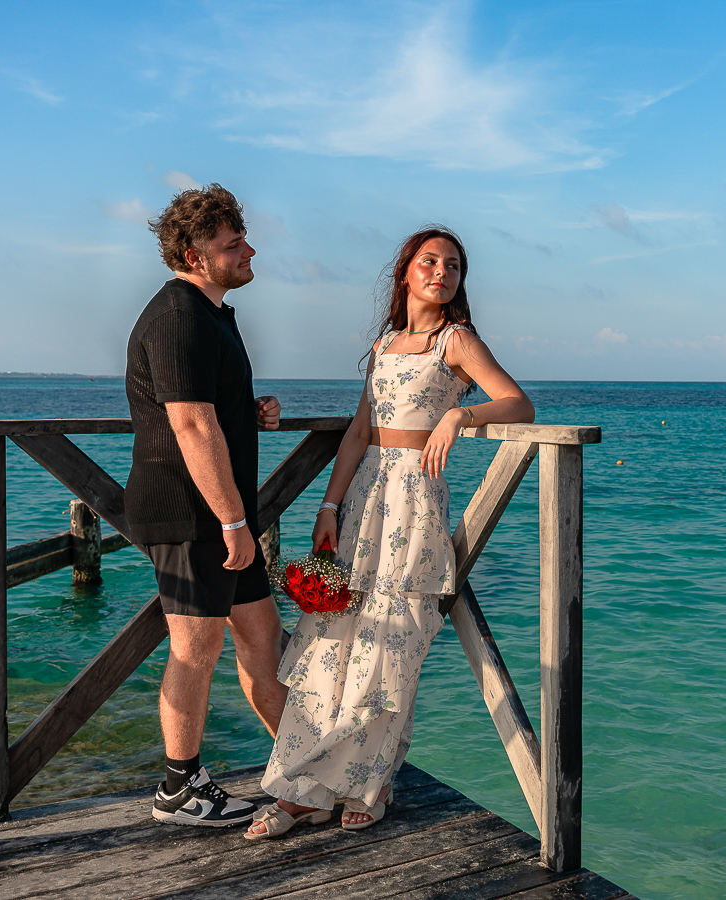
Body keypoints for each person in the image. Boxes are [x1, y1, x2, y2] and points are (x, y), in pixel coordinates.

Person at [245, 225, 534, 839]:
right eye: (430, 262)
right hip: (362, 499)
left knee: (390, 646)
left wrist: (462, 412)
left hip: (414, 500)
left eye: (454, 265)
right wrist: (327, 503)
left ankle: (369, 784)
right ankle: (304, 791)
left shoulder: (455, 341)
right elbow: (357, 433)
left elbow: (517, 403)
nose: (442, 272)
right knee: (333, 639)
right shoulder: (383, 344)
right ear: (406, 272)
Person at [125, 184, 289, 827]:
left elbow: (203, 409)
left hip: (222, 515)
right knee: (195, 646)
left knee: (259, 635)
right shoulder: (178, 316)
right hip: (191, 514)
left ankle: (304, 762)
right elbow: (189, 426)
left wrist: (249, 413)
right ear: (195, 254)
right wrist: (233, 522)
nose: (250, 250)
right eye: (233, 245)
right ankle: (179, 787)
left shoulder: (214, 313)